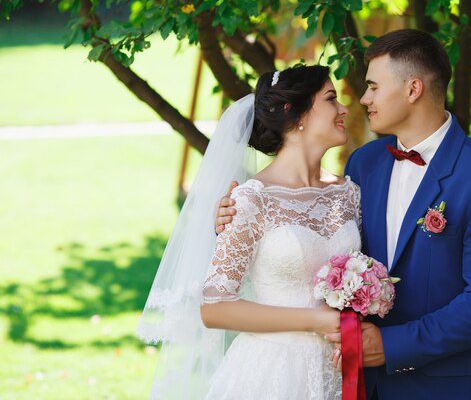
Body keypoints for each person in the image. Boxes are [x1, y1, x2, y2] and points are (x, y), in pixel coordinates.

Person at [216, 29, 471, 400]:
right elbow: (317, 239)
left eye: (373, 87)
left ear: (413, 90)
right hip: (352, 382)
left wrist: (392, 345)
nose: (363, 99)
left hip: (442, 387)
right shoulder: (365, 163)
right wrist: (234, 221)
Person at [138, 65, 361, 400]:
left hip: (343, 368)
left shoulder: (349, 194)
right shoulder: (252, 199)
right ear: (295, 113)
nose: (344, 109)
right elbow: (214, 308)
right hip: (274, 373)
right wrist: (313, 320)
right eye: (331, 99)